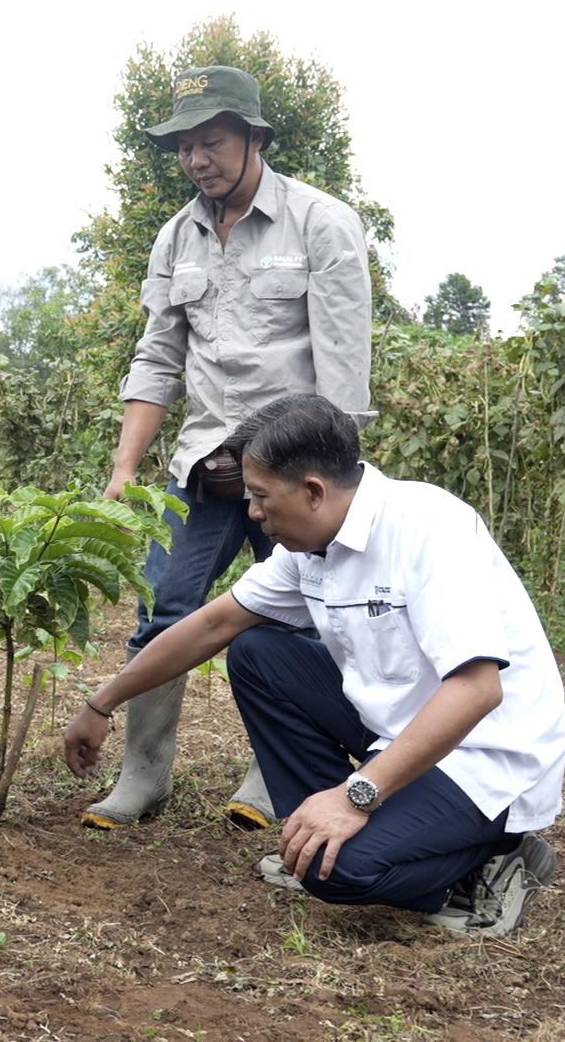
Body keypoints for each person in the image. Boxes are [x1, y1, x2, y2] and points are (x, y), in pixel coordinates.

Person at [64, 395, 565, 936]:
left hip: (486, 752)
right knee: (259, 654)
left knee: (338, 874)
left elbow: (477, 692)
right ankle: (332, 832)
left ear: (313, 491)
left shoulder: (428, 528)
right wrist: (102, 703)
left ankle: (491, 860)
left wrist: (358, 796)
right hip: (404, 731)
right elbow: (212, 626)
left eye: (260, 497)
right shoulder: (311, 548)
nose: (253, 514)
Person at [90, 64, 374, 831]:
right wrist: (124, 469)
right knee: (162, 611)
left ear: (254, 139)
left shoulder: (322, 224)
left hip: (294, 470)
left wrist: (315, 481)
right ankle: (143, 777)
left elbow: (343, 379)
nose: (196, 159)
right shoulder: (175, 237)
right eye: (184, 146)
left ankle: (269, 775)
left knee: (307, 624)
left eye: (211, 142)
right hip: (200, 469)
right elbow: (158, 359)